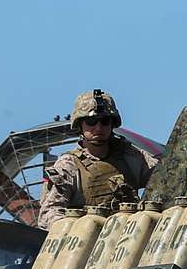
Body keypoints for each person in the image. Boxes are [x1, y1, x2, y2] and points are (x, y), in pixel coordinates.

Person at [38, 89, 158, 228]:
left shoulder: (131, 157)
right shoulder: (68, 165)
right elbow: (49, 214)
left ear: (112, 124)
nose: (99, 128)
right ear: (80, 125)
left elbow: (165, 181)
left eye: (105, 121)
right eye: (91, 121)